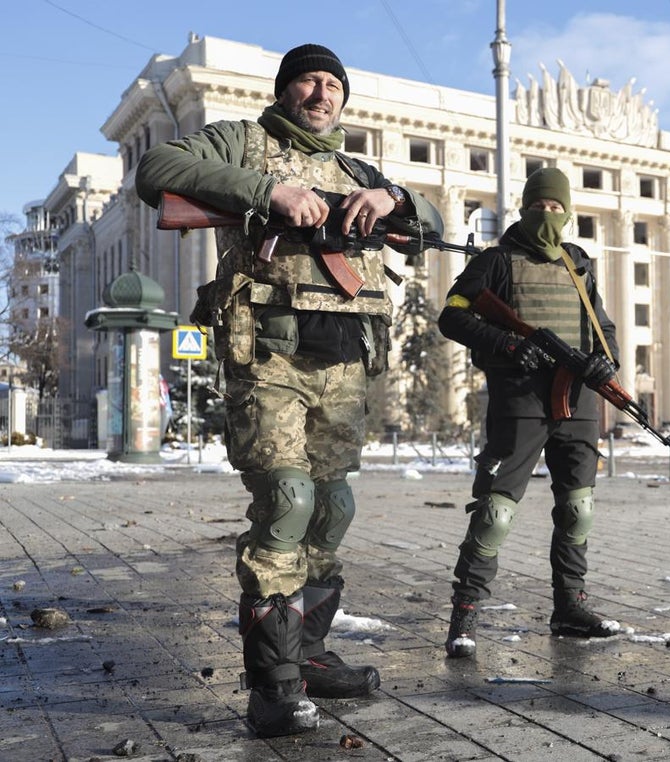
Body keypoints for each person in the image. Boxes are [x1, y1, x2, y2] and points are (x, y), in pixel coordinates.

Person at [136, 44, 443, 737]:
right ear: (285, 88)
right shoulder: (244, 141)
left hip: (342, 365)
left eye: (335, 83)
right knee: (288, 500)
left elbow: (434, 225)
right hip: (268, 356)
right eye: (311, 79)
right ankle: (272, 687)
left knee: (332, 507)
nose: (323, 92)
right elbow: (157, 171)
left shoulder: (355, 168)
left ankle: (307, 656)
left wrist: (391, 197)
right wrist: (268, 192)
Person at [437, 167, 622, 658]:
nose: (549, 215)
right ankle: (465, 615)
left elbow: (602, 325)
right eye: (541, 206)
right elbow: (452, 315)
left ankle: (570, 607)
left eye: (558, 208)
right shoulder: (496, 261)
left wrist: (609, 359)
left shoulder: (577, 261)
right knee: (496, 513)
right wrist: (506, 343)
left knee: (578, 509)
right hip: (519, 399)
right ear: (525, 207)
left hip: (579, 399)